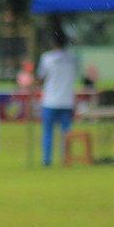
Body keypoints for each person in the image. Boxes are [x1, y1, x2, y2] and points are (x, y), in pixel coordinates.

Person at [36, 30, 78, 166]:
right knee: (65, 133)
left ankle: (46, 159)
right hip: (66, 101)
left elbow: (41, 78)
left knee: (47, 131)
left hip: (50, 101)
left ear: (53, 43)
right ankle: (65, 158)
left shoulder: (47, 58)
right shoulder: (72, 59)